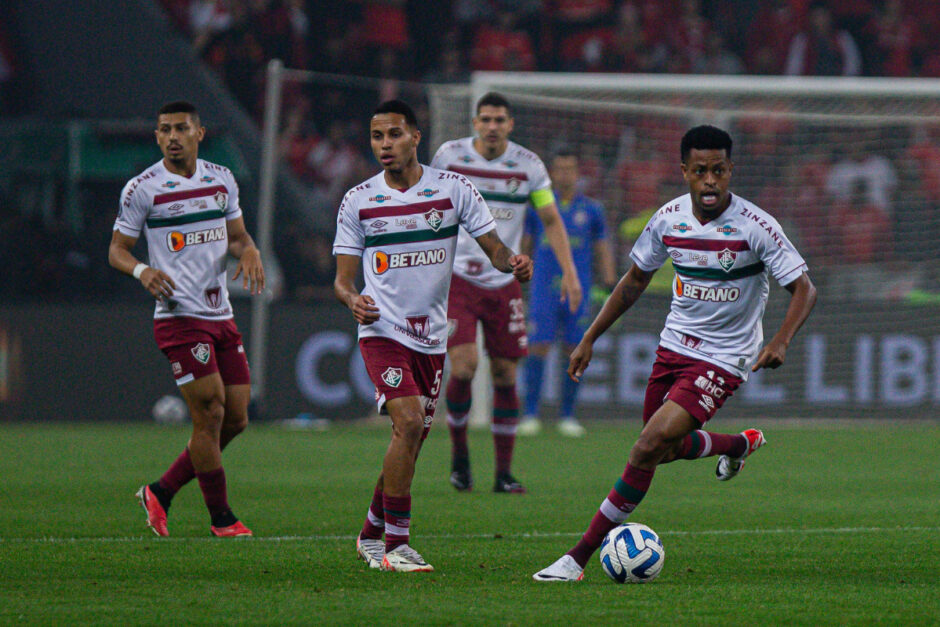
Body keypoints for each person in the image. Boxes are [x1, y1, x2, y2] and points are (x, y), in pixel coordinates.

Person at [533, 125, 817, 581]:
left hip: (725, 357)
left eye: (718, 171)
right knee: (661, 451)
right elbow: (634, 282)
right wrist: (590, 336)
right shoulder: (667, 219)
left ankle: (576, 558)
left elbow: (804, 288)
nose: (710, 181)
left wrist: (779, 340)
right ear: (684, 171)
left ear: (730, 171)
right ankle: (739, 444)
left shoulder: (757, 227)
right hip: (674, 347)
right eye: (700, 170)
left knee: (646, 446)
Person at [334, 100, 532, 572]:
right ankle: (397, 546)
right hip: (381, 330)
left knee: (412, 441)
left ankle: (369, 534)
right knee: (406, 424)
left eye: (395, 135)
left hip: (430, 337)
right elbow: (342, 279)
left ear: (416, 137)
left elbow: (495, 249)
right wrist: (351, 299)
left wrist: (514, 263)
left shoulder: (453, 189)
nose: (385, 144)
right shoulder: (358, 199)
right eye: (377, 136)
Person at [109, 100, 265, 538]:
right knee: (210, 411)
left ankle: (161, 490)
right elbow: (116, 250)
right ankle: (221, 518)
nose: (172, 136)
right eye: (164, 129)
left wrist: (250, 250)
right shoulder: (142, 188)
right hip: (178, 317)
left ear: (199, 133)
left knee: (236, 418)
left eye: (180, 128)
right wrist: (143, 270)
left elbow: (237, 237)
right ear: (157, 137)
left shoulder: (221, 180)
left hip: (221, 314)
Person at [431, 92, 582, 494]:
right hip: (458, 279)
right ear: (475, 123)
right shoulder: (449, 157)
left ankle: (503, 472)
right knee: (463, 367)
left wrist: (570, 273)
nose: (493, 126)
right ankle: (460, 457)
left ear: (510, 124)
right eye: (486, 119)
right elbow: (428, 207)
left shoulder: (529, 165)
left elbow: (550, 218)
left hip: (504, 282)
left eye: (500, 119)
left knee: (504, 374)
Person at [518, 147, 617, 437]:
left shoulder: (592, 210)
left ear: (578, 172)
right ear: (551, 173)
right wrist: (517, 279)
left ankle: (567, 415)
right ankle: (531, 413)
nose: (564, 174)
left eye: (570, 168)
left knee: (575, 349)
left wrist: (610, 282)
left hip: (578, 290)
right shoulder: (538, 207)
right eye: (559, 169)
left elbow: (603, 247)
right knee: (537, 347)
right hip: (542, 289)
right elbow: (526, 244)